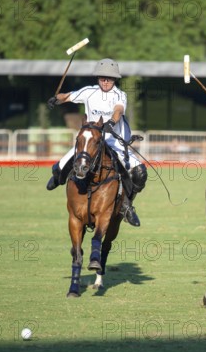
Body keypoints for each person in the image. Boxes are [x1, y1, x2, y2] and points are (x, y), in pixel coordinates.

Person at [46, 58, 147, 227]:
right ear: (98, 78)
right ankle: (58, 178)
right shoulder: (89, 92)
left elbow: (118, 110)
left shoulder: (119, 95)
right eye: (102, 78)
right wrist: (57, 99)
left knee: (139, 173)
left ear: (115, 79)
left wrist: (111, 123)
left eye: (109, 78)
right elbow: (69, 96)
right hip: (91, 140)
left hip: (114, 141)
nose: (105, 81)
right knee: (61, 165)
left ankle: (127, 206)